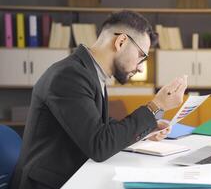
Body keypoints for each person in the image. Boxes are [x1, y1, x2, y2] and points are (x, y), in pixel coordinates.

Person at [10, 10, 188, 189]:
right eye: (142, 57)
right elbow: (99, 144)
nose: (141, 68)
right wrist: (155, 106)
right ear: (121, 42)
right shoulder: (69, 76)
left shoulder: (89, 73)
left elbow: (99, 126)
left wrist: (148, 127)